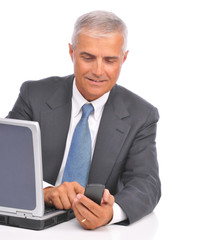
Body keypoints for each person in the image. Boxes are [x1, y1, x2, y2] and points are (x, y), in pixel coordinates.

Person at [7, 10, 161, 230]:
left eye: (110, 60)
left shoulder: (141, 115)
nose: (98, 71)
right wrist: (45, 192)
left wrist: (111, 212)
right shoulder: (34, 95)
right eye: (88, 57)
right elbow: (7, 161)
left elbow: (147, 183)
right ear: (72, 52)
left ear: (124, 58)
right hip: (31, 226)